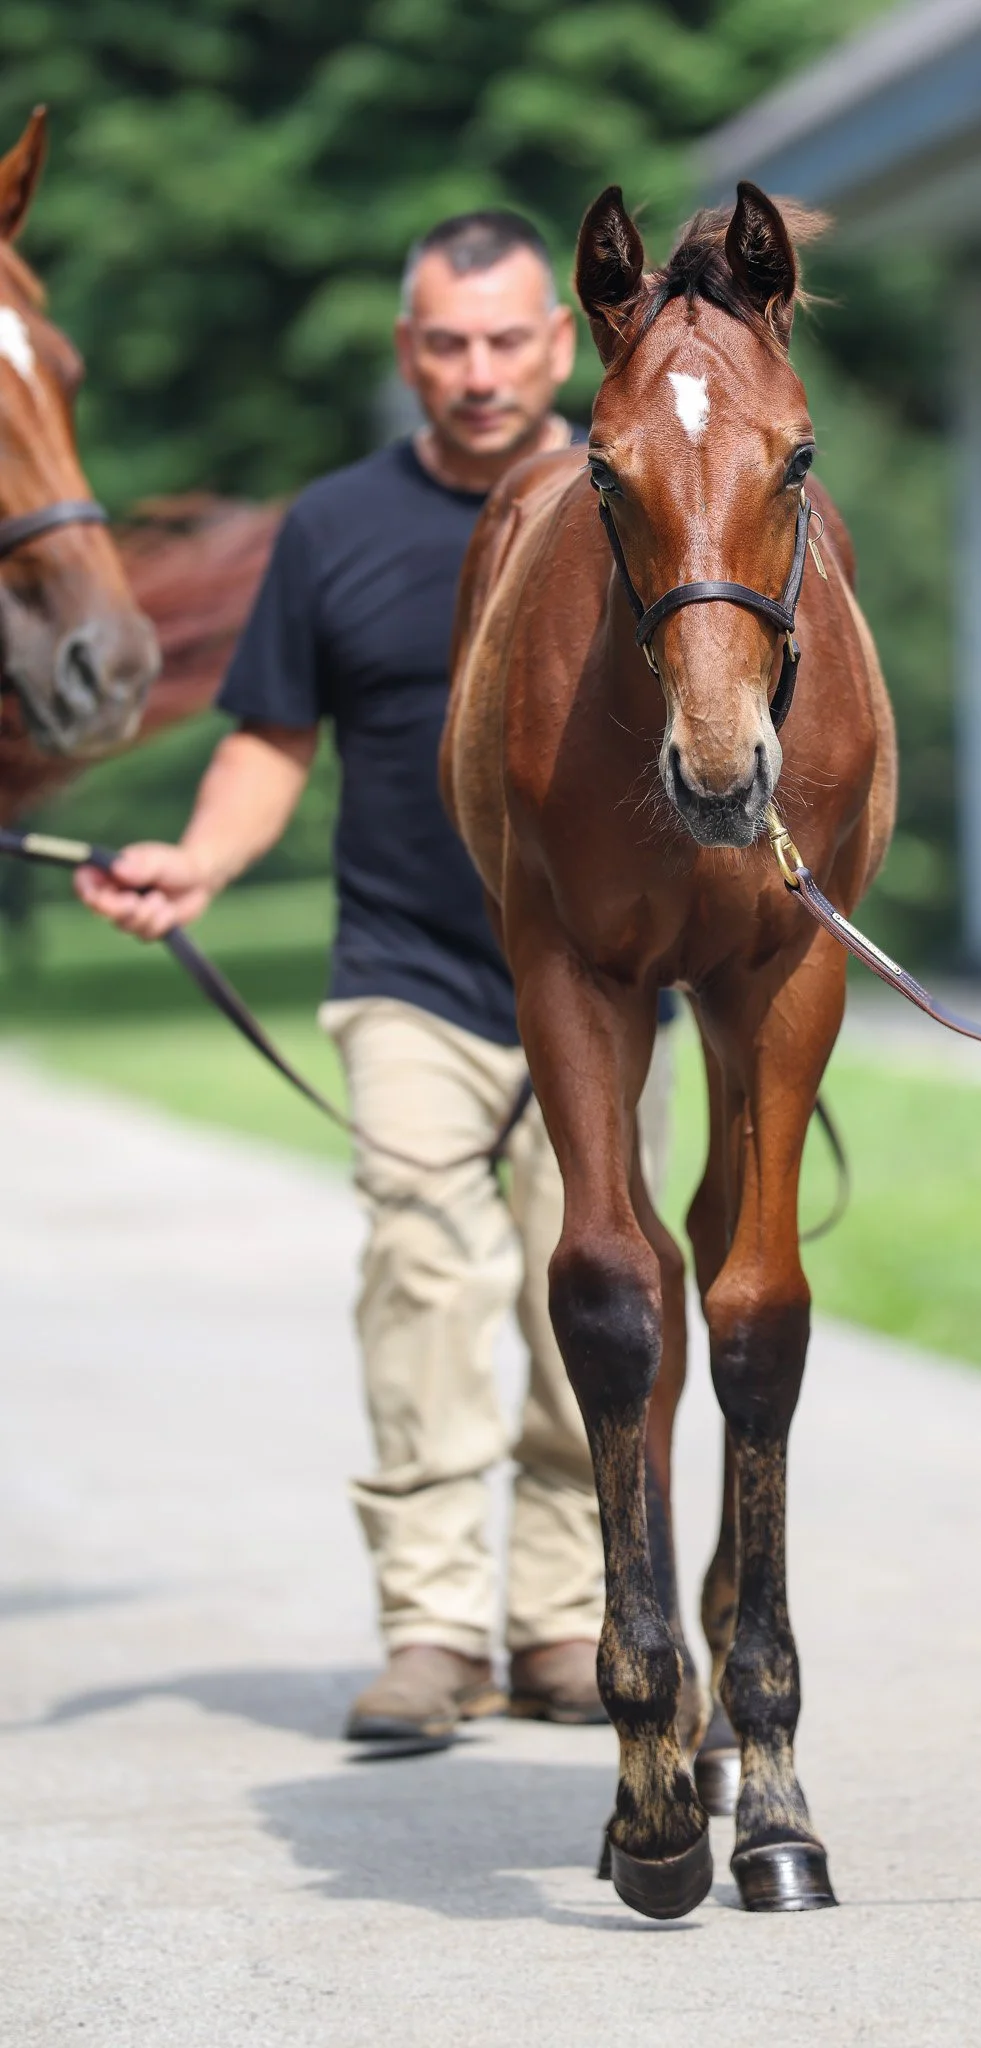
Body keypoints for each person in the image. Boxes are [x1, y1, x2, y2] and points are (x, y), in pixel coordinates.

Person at [76, 211, 667, 1742]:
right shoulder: (333, 526)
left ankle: (561, 1619)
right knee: (421, 1275)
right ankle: (431, 1627)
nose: (477, 372)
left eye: (506, 341)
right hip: (410, 968)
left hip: (602, 980)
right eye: (446, 343)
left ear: (559, 343)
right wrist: (198, 864)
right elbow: (273, 737)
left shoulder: (632, 502)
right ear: (408, 351)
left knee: (592, 1293)